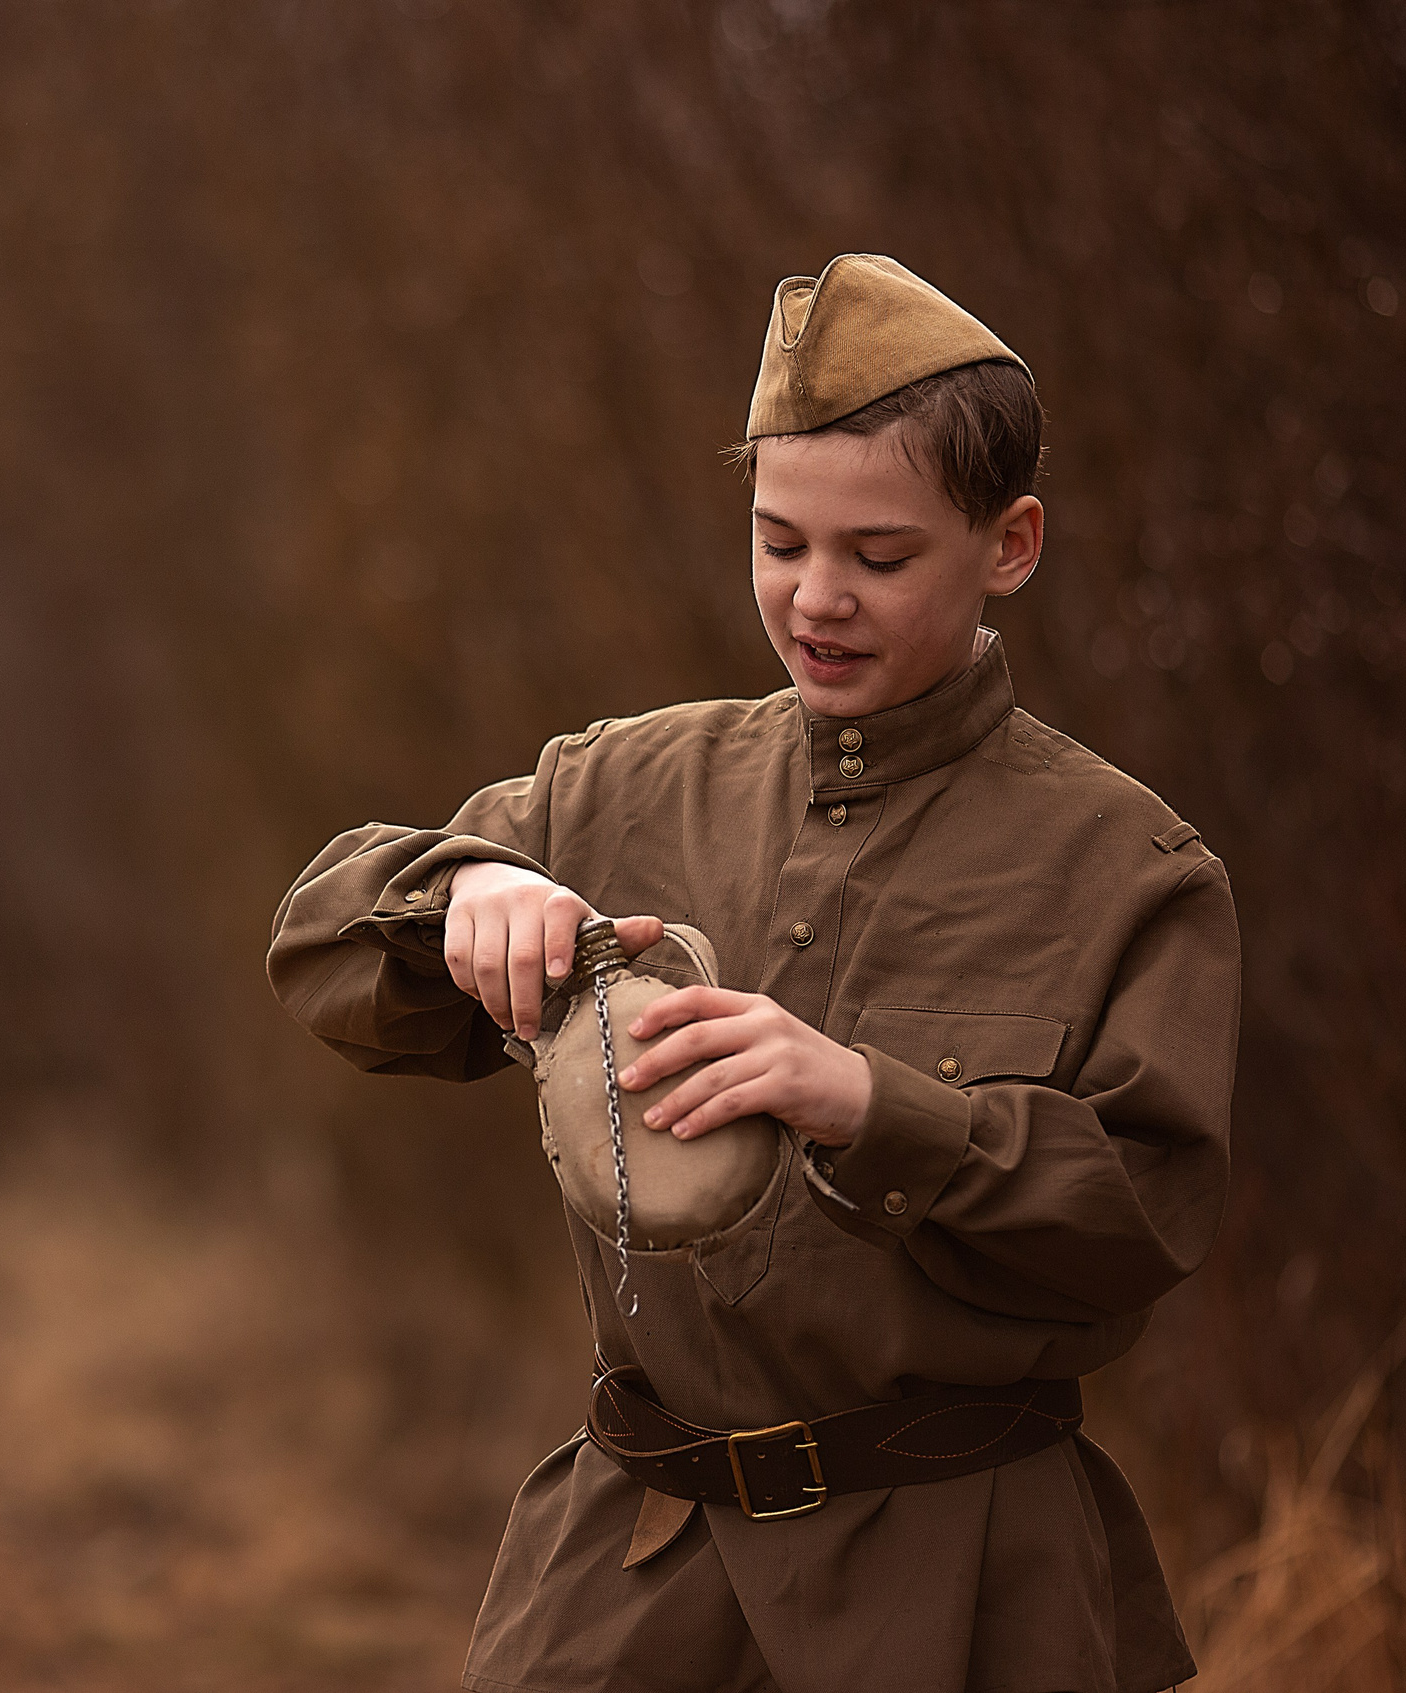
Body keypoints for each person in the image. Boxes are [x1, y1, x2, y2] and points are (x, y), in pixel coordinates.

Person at [266, 253, 1239, 1693]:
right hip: (627, 1585)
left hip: (967, 1592)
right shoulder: (625, 787)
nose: (817, 599)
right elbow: (319, 944)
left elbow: (1145, 1219)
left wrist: (870, 1105)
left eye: (880, 557)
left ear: (1011, 544)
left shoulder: (1127, 870)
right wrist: (464, 891)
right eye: (780, 543)